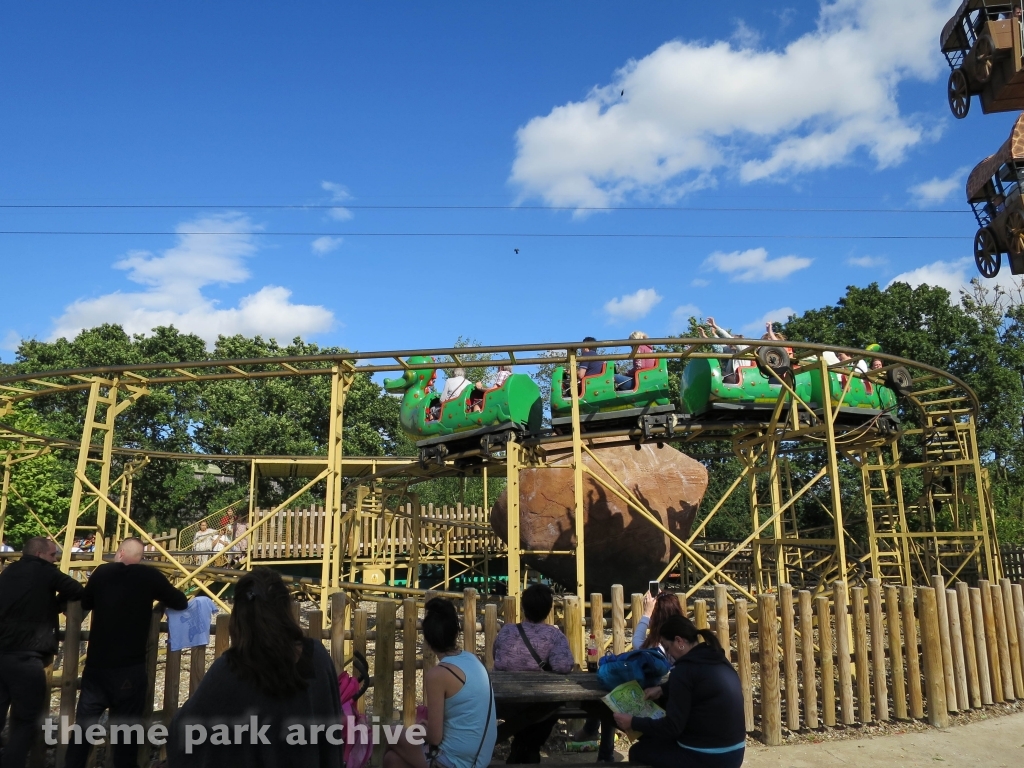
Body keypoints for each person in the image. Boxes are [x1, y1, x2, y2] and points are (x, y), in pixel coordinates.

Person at [168, 568, 342, 767]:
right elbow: (332, 731)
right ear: (285, 609)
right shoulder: (317, 657)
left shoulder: (230, 669)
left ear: (239, 616)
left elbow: (184, 731)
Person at [64, 538, 188, 768]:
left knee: (82, 732)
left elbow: (87, 600)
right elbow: (180, 601)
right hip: (129, 668)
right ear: (139, 557)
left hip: (97, 666)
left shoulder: (101, 573)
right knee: (126, 736)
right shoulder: (149, 577)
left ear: (120, 552)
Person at [615, 615, 745, 768]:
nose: (668, 654)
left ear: (679, 641)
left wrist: (633, 722)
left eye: (667, 647)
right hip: (735, 753)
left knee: (639, 751)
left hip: (707, 756)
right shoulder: (715, 657)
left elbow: (672, 727)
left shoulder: (683, 670)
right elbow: (700, 684)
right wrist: (663, 689)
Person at [383, 597, 496, 768]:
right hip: (480, 758)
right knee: (392, 760)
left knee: (390, 733)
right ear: (456, 633)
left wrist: (421, 729)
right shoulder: (473, 659)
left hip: (457, 762)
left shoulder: (438, 674)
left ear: (427, 640)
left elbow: (435, 737)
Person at [0, 537, 83, 768]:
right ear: (39, 554)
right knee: (27, 719)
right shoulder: (45, 572)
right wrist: (56, 604)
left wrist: (48, 604)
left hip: (2, 653)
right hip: (27, 657)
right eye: (52, 555)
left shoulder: (8, 572)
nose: (55, 559)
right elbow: (76, 589)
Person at [492, 584, 574, 763]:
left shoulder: (507, 631)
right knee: (549, 709)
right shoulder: (554, 635)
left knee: (527, 721)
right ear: (549, 608)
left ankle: (521, 749)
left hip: (505, 701)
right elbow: (563, 666)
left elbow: (496, 656)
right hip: (538, 702)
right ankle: (528, 750)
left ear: (523, 607)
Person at [706, 318, 755, 384]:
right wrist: (714, 335)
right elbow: (721, 345)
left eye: (731, 342)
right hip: (733, 377)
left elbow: (728, 338)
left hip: (741, 378)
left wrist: (715, 326)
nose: (729, 344)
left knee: (717, 374)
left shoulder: (743, 348)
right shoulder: (732, 350)